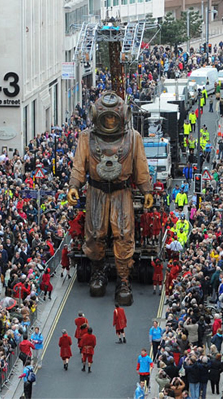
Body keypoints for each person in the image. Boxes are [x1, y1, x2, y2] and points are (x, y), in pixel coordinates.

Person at [67, 91, 154, 305]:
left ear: (123, 117)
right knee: (95, 233)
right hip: (96, 191)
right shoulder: (87, 137)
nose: (109, 121)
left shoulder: (133, 138)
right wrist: (74, 185)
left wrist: (146, 190)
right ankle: (98, 271)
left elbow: (141, 167)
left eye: (113, 117)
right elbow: (79, 165)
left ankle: (124, 280)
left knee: (123, 234)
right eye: (105, 117)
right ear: (96, 117)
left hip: (121, 191)